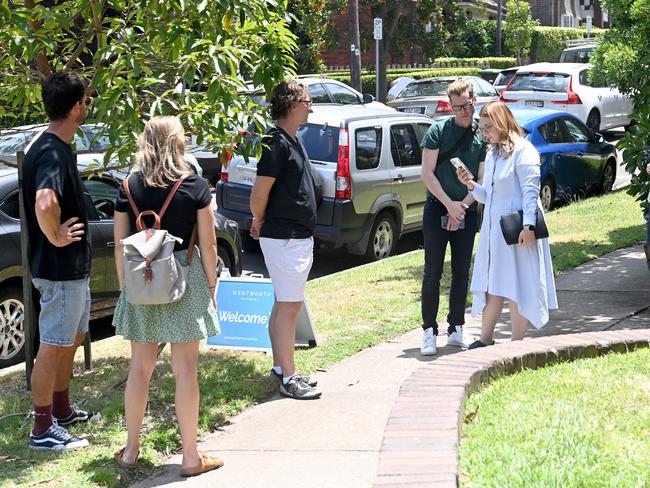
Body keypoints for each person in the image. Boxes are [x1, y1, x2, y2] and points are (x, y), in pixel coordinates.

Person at [112, 116, 223, 477]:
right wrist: (211, 285)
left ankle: (130, 451)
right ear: (179, 143)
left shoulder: (127, 186)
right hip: (185, 278)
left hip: (140, 283)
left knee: (139, 368)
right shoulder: (194, 186)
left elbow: (119, 245)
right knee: (185, 369)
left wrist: (126, 290)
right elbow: (208, 243)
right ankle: (190, 457)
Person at [22, 72, 94, 451]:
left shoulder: (57, 145)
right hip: (59, 271)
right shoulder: (51, 150)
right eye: (86, 100)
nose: (88, 105)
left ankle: (62, 410)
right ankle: (42, 428)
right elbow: (44, 201)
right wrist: (56, 236)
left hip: (70, 271)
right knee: (53, 344)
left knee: (71, 338)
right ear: (77, 105)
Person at [456, 101, 558, 347]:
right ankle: (484, 339)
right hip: (495, 232)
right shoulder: (493, 154)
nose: (485, 134)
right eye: (482, 129)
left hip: (517, 231)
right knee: (494, 284)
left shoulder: (524, 151)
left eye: (489, 127)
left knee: (518, 286)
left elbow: (530, 193)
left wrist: (528, 227)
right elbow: (489, 196)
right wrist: (470, 184)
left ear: (502, 123)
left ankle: (516, 344)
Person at [249, 80, 321, 400]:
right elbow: (259, 194)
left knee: (283, 304)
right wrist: (259, 219)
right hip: (285, 237)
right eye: (306, 101)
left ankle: (281, 367)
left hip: (293, 237)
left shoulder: (291, 139)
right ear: (292, 104)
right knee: (290, 308)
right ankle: (289, 378)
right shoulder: (276, 142)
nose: (310, 106)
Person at [419, 78, 486, 356]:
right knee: (432, 270)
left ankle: (456, 326)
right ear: (450, 106)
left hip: (467, 209)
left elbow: (483, 178)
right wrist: (449, 205)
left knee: (461, 271)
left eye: (468, 105)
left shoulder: (481, 133)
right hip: (438, 206)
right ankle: (428, 331)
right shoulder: (437, 131)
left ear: (474, 100)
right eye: (458, 107)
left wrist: (463, 205)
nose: (464, 111)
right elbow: (427, 173)